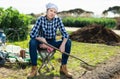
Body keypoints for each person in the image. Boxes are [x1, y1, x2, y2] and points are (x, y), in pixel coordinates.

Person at [28, 2, 72, 78]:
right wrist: (42, 40)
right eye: (51, 10)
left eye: (55, 12)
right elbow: (32, 34)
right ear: (47, 10)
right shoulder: (40, 19)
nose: (52, 13)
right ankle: (34, 69)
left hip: (52, 42)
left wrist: (63, 44)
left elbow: (65, 34)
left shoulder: (58, 20)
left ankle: (63, 67)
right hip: (41, 43)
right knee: (32, 42)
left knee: (68, 42)